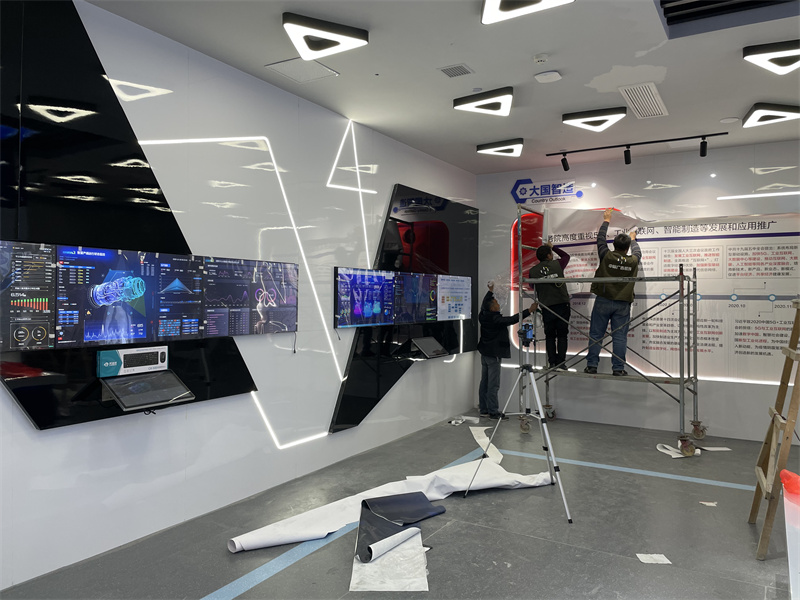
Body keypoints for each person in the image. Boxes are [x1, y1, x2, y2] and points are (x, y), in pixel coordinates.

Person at [584, 207, 641, 376]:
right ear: (627, 248)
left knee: (596, 334)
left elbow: (600, 240)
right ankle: (618, 368)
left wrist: (606, 220)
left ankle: (591, 366)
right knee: (620, 337)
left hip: (603, 300)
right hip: (623, 303)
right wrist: (633, 239)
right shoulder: (633, 260)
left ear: (614, 245)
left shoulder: (606, 255)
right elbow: (638, 252)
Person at [478, 283, 537, 420]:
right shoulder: (495, 319)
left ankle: (484, 409)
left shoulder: (483, 315)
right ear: (492, 308)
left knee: (484, 382)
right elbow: (512, 319)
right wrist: (529, 311)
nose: (498, 304)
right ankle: (493, 412)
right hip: (494, 355)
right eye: (496, 303)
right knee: (493, 384)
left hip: (485, 353)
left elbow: (484, 304)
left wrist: (490, 292)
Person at [528, 241, 571, 370]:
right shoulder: (557, 264)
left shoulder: (533, 271)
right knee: (562, 335)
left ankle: (552, 362)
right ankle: (561, 363)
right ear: (548, 255)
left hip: (547, 307)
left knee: (550, 336)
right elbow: (566, 256)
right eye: (551, 253)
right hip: (562, 305)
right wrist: (553, 247)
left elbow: (532, 286)